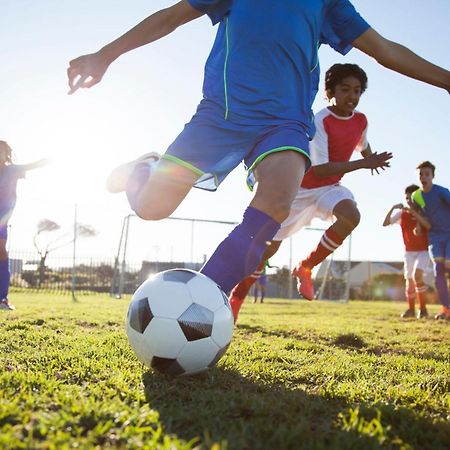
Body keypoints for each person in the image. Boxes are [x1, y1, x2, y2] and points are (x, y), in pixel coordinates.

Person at [67, 1, 450, 299]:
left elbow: (384, 50)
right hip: (221, 115)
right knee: (152, 209)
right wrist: (105, 54)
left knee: (278, 201)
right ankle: (147, 168)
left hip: (285, 122)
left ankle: (206, 293)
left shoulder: (329, 2)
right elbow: (170, 17)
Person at [229, 63, 393, 322]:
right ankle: (237, 298)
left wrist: (372, 157)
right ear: (331, 92)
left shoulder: (361, 120)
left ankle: (305, 267)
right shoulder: (321, 120)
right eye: (345, 89)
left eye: (357, 91)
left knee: (351, 216)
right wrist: (364, 163)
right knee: (268, 251)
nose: (352, 96)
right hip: (300, 188)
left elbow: (363, 144)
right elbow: (323, 168)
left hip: (328, 188)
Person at [0, 140, 49, 310]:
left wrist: (49, 159)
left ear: (7, 154)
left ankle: (2, 298)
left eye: (1, 150)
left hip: (2, 218)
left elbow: (33, 165)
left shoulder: (12, 170)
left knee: (1, 251)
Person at [383, 184, 432, 319]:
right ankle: (411, 309)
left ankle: (423, 309)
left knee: (417, 276)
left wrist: (416, 217)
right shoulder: (402, 214)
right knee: (409, 280)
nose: (409, 201)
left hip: (423, 251)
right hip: (409, 252)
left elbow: (428, 226)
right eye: (407, 198)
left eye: (411, 198)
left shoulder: (424, 212)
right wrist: (393, 208)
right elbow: (385, 223)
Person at [412, 161, 450, 320]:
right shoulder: (416, 196)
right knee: (438, 271)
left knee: (449, 266)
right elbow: (419, 214)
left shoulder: (442, 192)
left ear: (432, 176)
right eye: (421, 174)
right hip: (434, 236)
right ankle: (446, 309)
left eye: (427, 174)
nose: (423, 177)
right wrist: (418, 227)